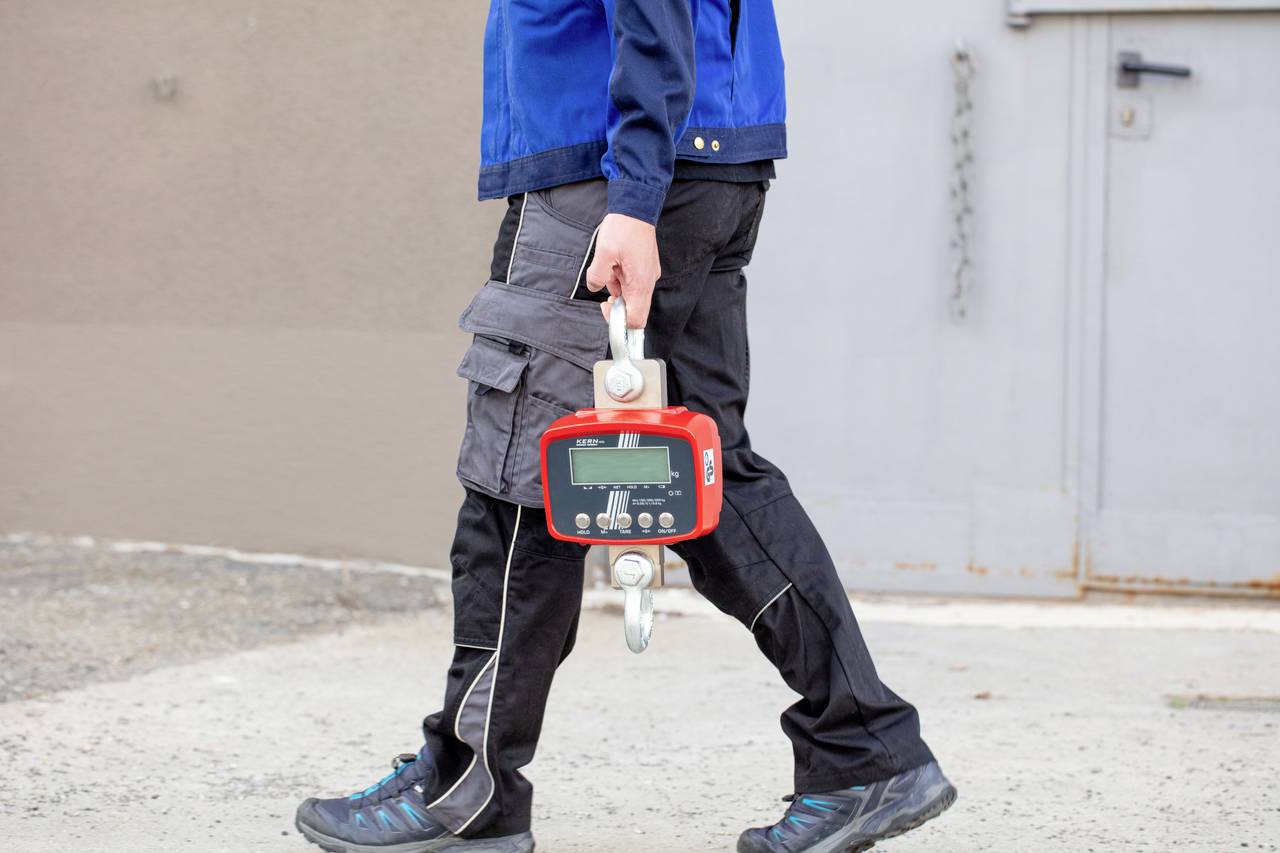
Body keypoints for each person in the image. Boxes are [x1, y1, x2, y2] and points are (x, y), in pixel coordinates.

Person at [294, 2, 956, 851]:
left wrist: (635, 197)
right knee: (714, 475)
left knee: (521, 480)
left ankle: (469, 789)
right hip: (707, 155)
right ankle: (868, 750)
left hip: (611, 175)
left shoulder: (626, 178)